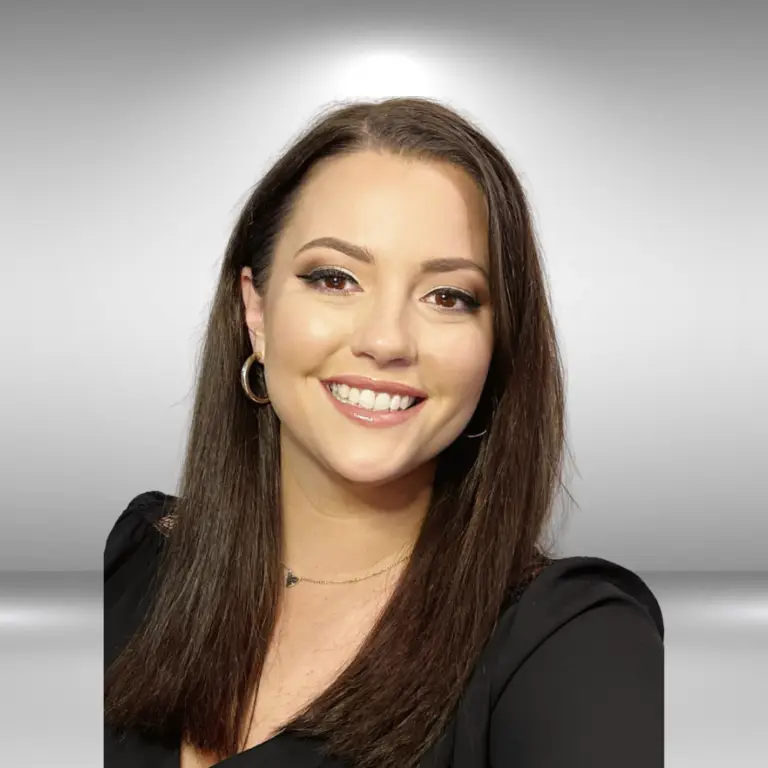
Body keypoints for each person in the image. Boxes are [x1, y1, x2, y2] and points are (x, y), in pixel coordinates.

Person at [104, 97, 664, 768]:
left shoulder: (576, 642)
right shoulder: (134, 559)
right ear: (255, 310)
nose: (385, 340)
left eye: (448, 296)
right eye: (335, 279)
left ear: (497, 344)